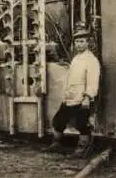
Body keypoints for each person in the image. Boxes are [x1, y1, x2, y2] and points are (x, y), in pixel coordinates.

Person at [43, 28, 101, 158]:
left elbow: (92, 81)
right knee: (58, 121)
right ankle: (57, 144)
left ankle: (82, 149)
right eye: (77, 42)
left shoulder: (91, 60)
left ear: (88, 43)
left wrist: (87, 98)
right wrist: (66, 95)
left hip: (82, 98)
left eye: (82, 41)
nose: (79, 44)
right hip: (70, 97)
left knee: (82, 124)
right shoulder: (76, 59)